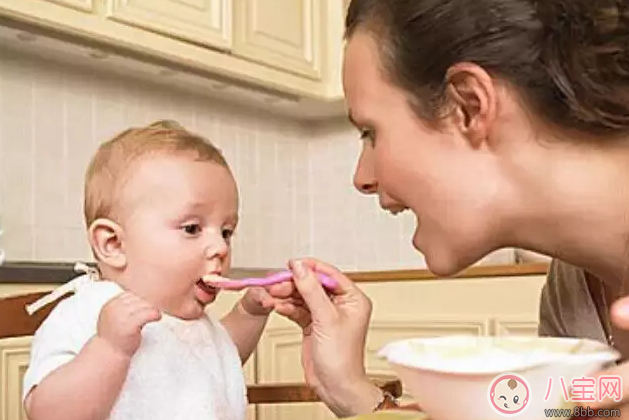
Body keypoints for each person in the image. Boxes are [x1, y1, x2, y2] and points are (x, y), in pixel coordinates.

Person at [260, 0, 629, 417]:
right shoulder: (574, 290)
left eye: (370, 132)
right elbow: (551, 411)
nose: (361, 178)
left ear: (468, 106)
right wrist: (349, 389)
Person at [21, 120, 283, 420]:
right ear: (114, 244)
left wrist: (251, 313)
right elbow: (47, 413)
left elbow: (216, 362)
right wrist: (110, 349)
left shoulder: (192, 321)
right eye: (192, 228)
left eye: (226, 231)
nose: (220, 248)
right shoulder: (88, 313)